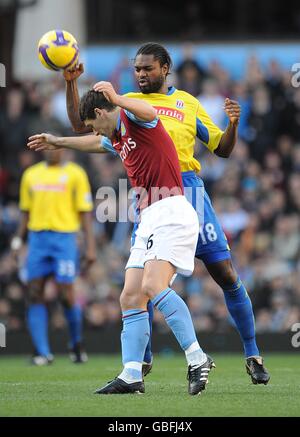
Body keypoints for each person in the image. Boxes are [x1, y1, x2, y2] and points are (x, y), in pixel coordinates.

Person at [28, 43, 270, 385]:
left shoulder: (184, 104)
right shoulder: (122, 105)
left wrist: (232, 125)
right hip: (149, 199)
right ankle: (138, 365)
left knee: (225, 273)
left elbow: (223, 148)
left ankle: (251, 353)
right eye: (137, 69)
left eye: (147, 69)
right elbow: (87, 127)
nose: (141, 75)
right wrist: (70, 87)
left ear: (165, 68)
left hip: (189, 192)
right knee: (138, 286)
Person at [81, 82, 214, 395]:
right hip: (148, 219)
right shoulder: (116, 136)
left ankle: (197, 357)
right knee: (130, 296)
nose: (94, 131)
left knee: (153, 286)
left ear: (102, 112)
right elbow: (90, 141)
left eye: (93, 124)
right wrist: (57, 141)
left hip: (171, 210)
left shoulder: (134, 119)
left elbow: (150, 111)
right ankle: (131, 374)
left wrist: (117, 98)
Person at [11, 149, 96, 365]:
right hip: (37, 239)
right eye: (46, 146)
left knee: (66, 294)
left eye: (54, 145)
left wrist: (90, 247)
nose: (51, 150)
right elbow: (25, 211)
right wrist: (17, 240)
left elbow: (85, 212)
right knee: (34, 292)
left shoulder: (76, 174)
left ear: (62, 148)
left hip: (64, 239)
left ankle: (76, 343)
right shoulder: (31, 174)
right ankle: (42, 352)